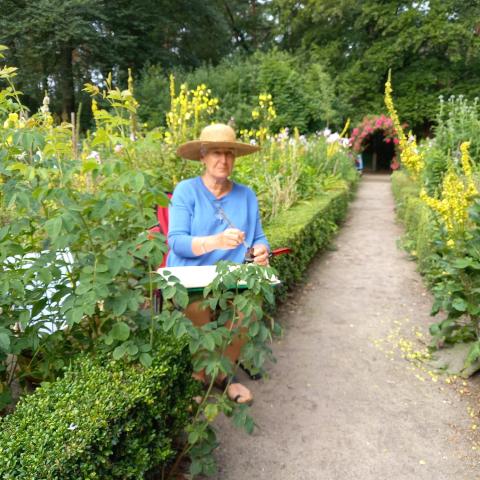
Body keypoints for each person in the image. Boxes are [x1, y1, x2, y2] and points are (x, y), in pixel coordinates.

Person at [167, 123, 270, 404]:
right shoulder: (186, 191)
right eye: (215, 153)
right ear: (202, 156)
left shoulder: (246, 195)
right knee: (199, 306)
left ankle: (225, 374)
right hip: (192, 277)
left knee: (248, 308)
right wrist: (215, 242)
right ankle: (200, 376)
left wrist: (262, 250)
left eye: (228, 153)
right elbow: (175, 241)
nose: (223, 160)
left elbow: (259, 237)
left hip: (233, 278)